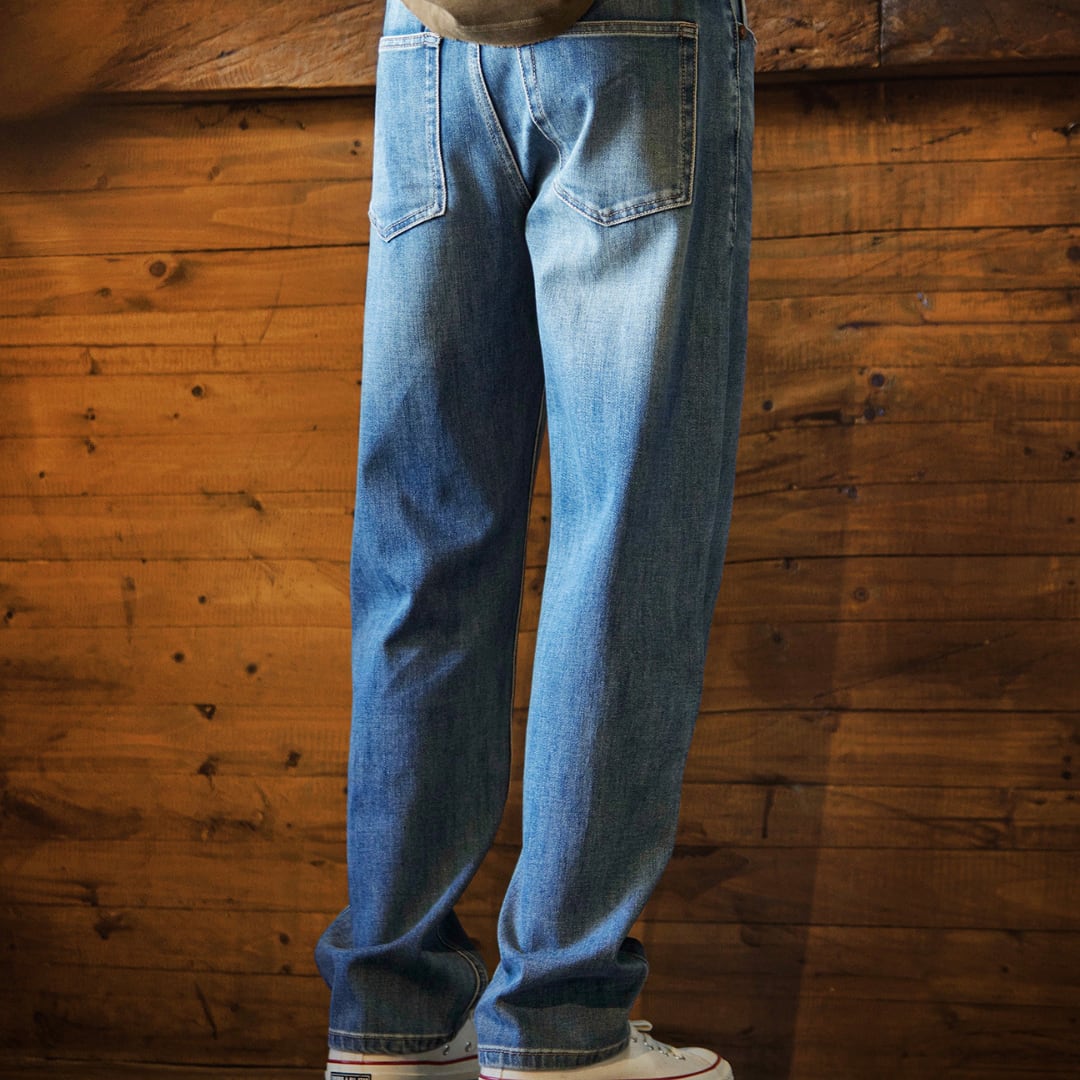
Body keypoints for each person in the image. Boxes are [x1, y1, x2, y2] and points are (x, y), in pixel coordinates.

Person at [315, 1, 755, 1078]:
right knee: (622, 543)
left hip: (430, 37)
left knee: (423, 547)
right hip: (636, 33)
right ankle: (559, 1024)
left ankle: (392, 1016)